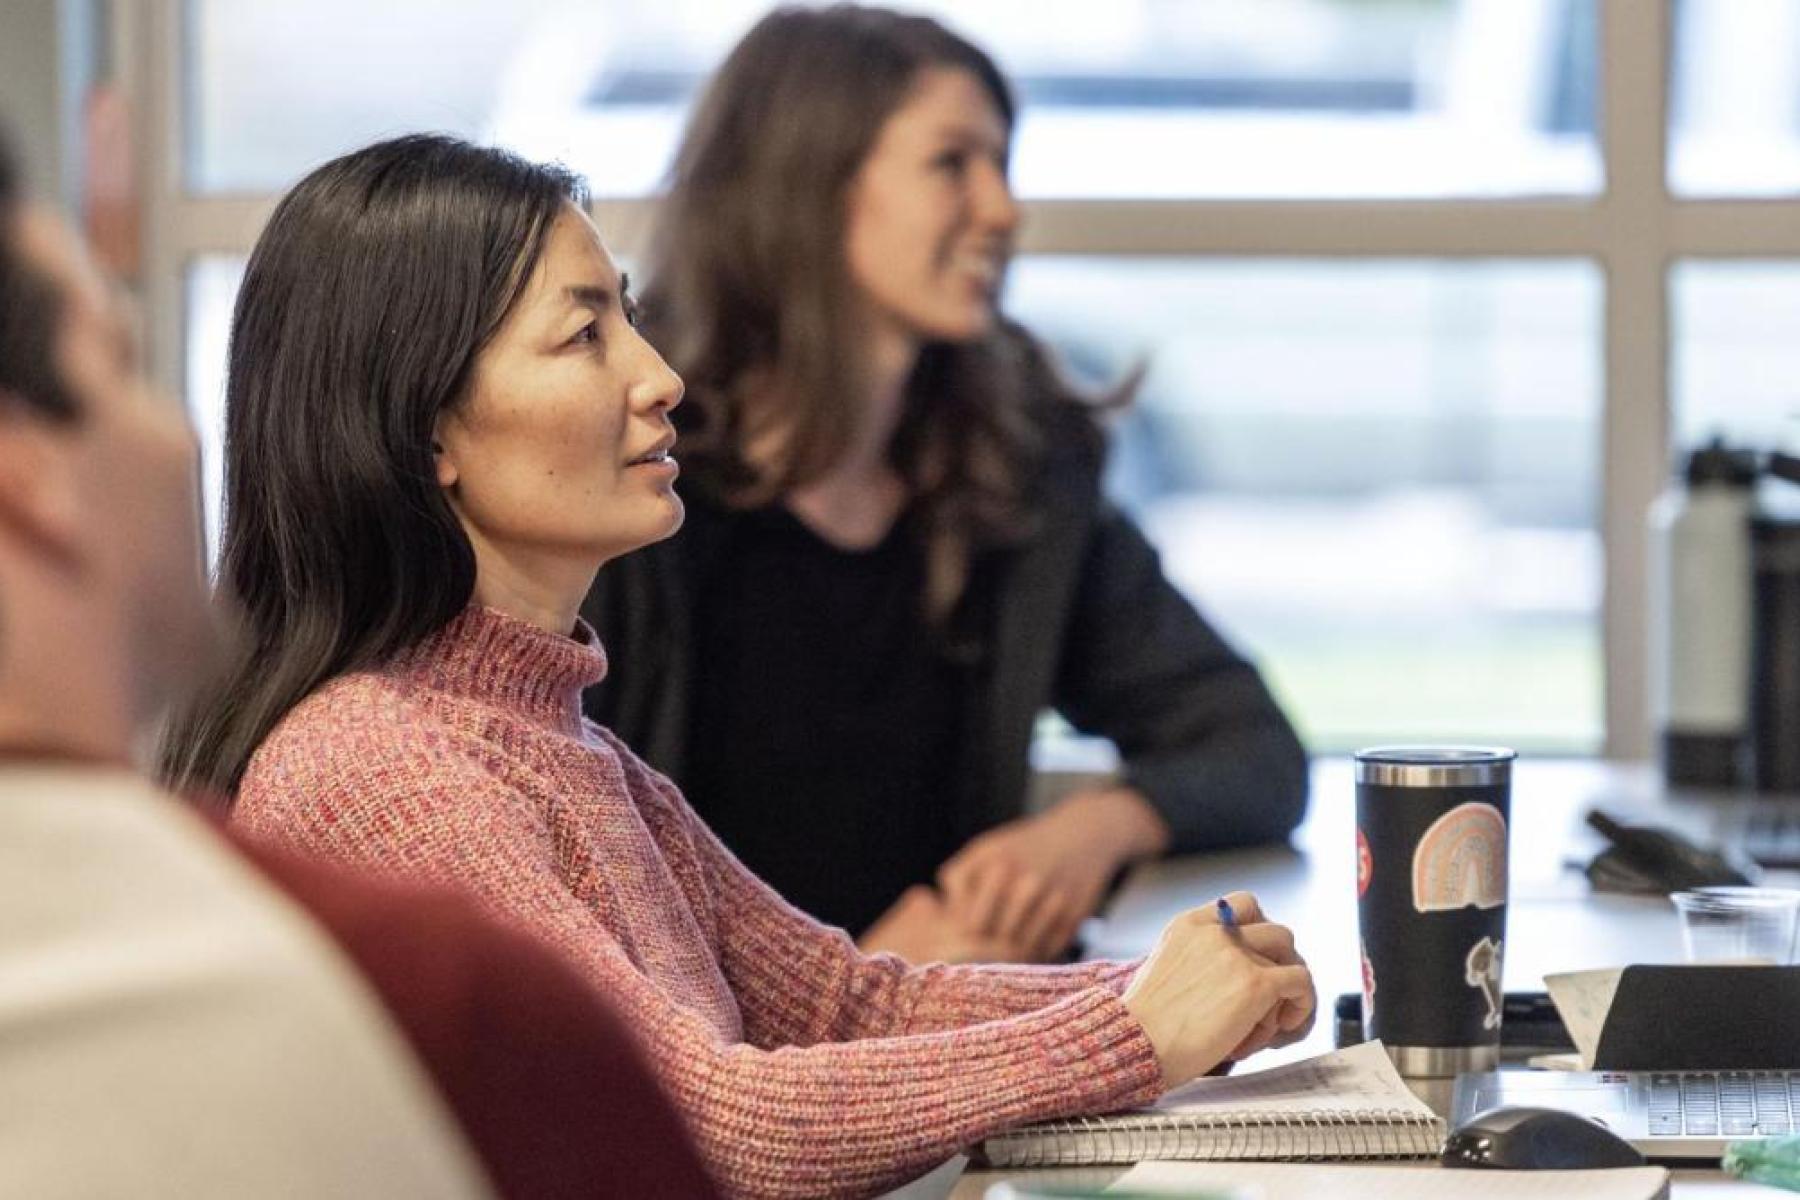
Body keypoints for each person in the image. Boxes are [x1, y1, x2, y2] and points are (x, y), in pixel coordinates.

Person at [158, 133, 1317, 1199]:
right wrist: (1135, 1037)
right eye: (584, 334)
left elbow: (845, 1004)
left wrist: (1170, 990)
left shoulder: (558, 740)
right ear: (428, 435)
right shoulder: (385, 768)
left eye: (633, 319)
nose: (660, 377)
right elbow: (702, 1122)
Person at [0, 129, 718, 1199]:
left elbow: (843, 997)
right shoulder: (417, 957)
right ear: (26, 477)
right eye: (123, 361)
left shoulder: (581, 760)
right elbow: (707, 1120)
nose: (180, 436)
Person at [579, 4, 1309, 965]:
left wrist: (1091, 831)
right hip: (725, 1068)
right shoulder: (620, 470)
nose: (1004, 211)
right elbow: (571, 903)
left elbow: (1251, 747)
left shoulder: (1019, 463)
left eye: (1003, 165)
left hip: (949, 1038)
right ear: (810, 181)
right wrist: (863, 983)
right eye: (953, 163)